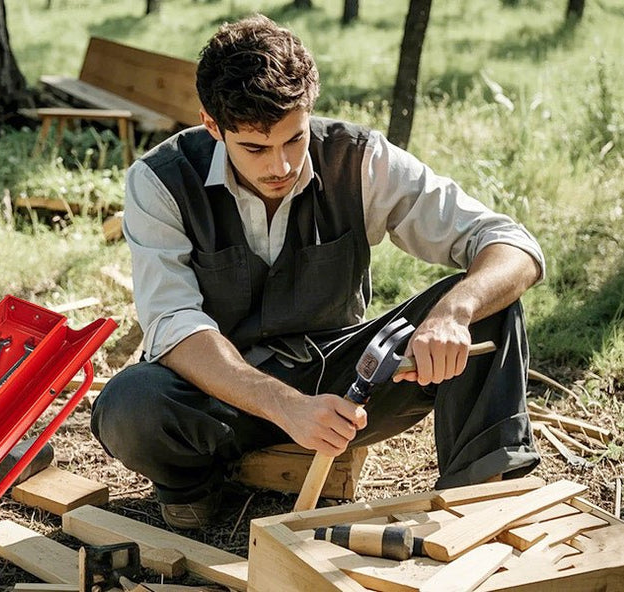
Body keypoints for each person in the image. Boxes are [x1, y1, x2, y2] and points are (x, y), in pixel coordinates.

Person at [90, 15, 545, 530]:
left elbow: (511, 244)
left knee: (491, 308)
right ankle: (196, 484)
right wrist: (286, 407)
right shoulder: (160, 180)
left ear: (309, 111)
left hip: (345, 385)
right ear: (212, 126)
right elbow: (173, 326)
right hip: (217, 394)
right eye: (255, 149)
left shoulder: (357, 159)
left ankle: (480, 499)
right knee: (129, 406)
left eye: (293, 139)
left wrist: (454, 315)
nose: (280, 166)